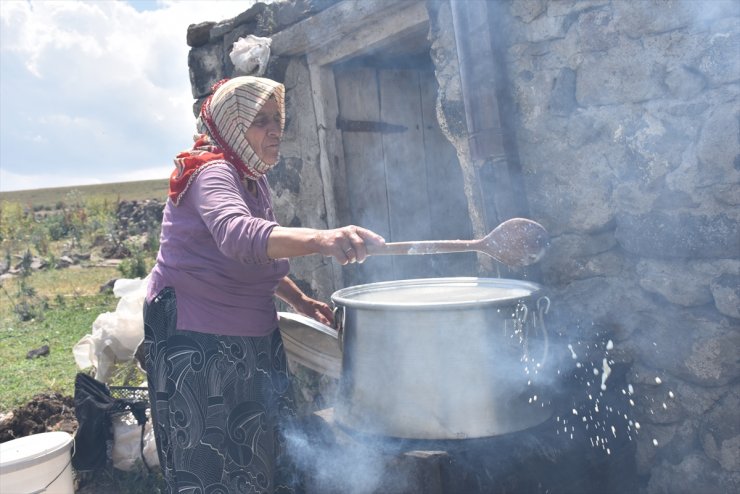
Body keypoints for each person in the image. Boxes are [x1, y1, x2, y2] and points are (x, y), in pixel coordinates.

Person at [143, 76, 385, 494]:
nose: (275, 130)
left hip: (249, 335)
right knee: (209, 458)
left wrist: (300, 300)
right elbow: (239, 235)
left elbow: (258, 254)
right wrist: (323, 239)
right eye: (260, 120)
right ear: (231, 125)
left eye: (278, 119)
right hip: (195, 342)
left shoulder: (252, 177)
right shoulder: (212, 172)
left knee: (260, 447)